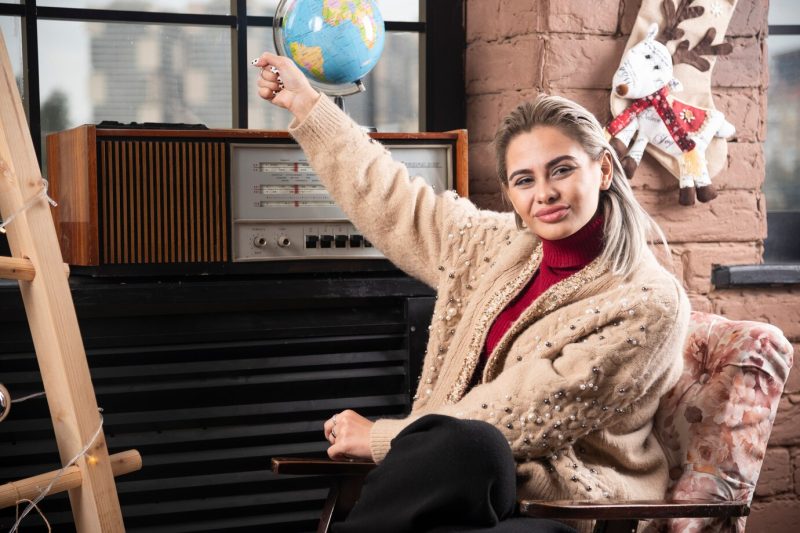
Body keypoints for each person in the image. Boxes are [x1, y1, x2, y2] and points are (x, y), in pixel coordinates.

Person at [253, 51, 690, 533]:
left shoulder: (648, 301)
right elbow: (393, 198)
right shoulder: (496, 245)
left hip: (569, 509)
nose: (543, 193)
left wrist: (385, 439)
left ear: (603, 170)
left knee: (476, 447)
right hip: (455, 489)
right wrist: (310, 107)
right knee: (463, 460)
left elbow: (526, 410)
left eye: (561, 170)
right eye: (525, 180)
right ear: (511, 195)